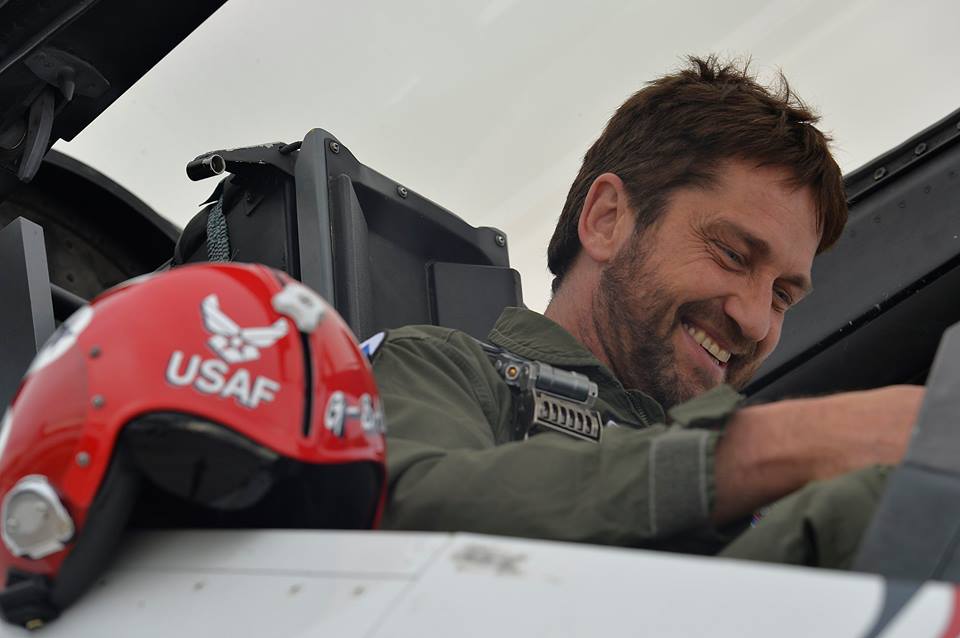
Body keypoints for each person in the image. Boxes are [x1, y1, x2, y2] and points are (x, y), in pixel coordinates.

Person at [367, 56, 924, 567]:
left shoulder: (770, 502)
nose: (755, 320)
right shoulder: (440, 372)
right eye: (732, 254)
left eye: (781, 296)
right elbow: (398, 519)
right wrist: (769, 447)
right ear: (607, 220)